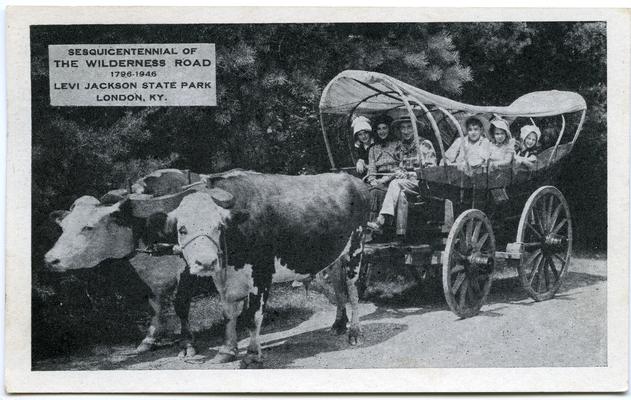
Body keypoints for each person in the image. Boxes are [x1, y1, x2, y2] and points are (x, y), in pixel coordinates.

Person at [366, 116, 436, 240]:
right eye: (403, 128)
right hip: (406, 184)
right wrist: (399, 172)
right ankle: (400, 234)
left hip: (422, 185)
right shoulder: (401, 147)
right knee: (400, 192)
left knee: (394, 184)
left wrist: (410, 174)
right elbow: (399, 167)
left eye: (409, 127)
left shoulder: (424, 144)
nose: (406, 131)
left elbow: (432, 170)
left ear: (415, 129)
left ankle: (381, 220)